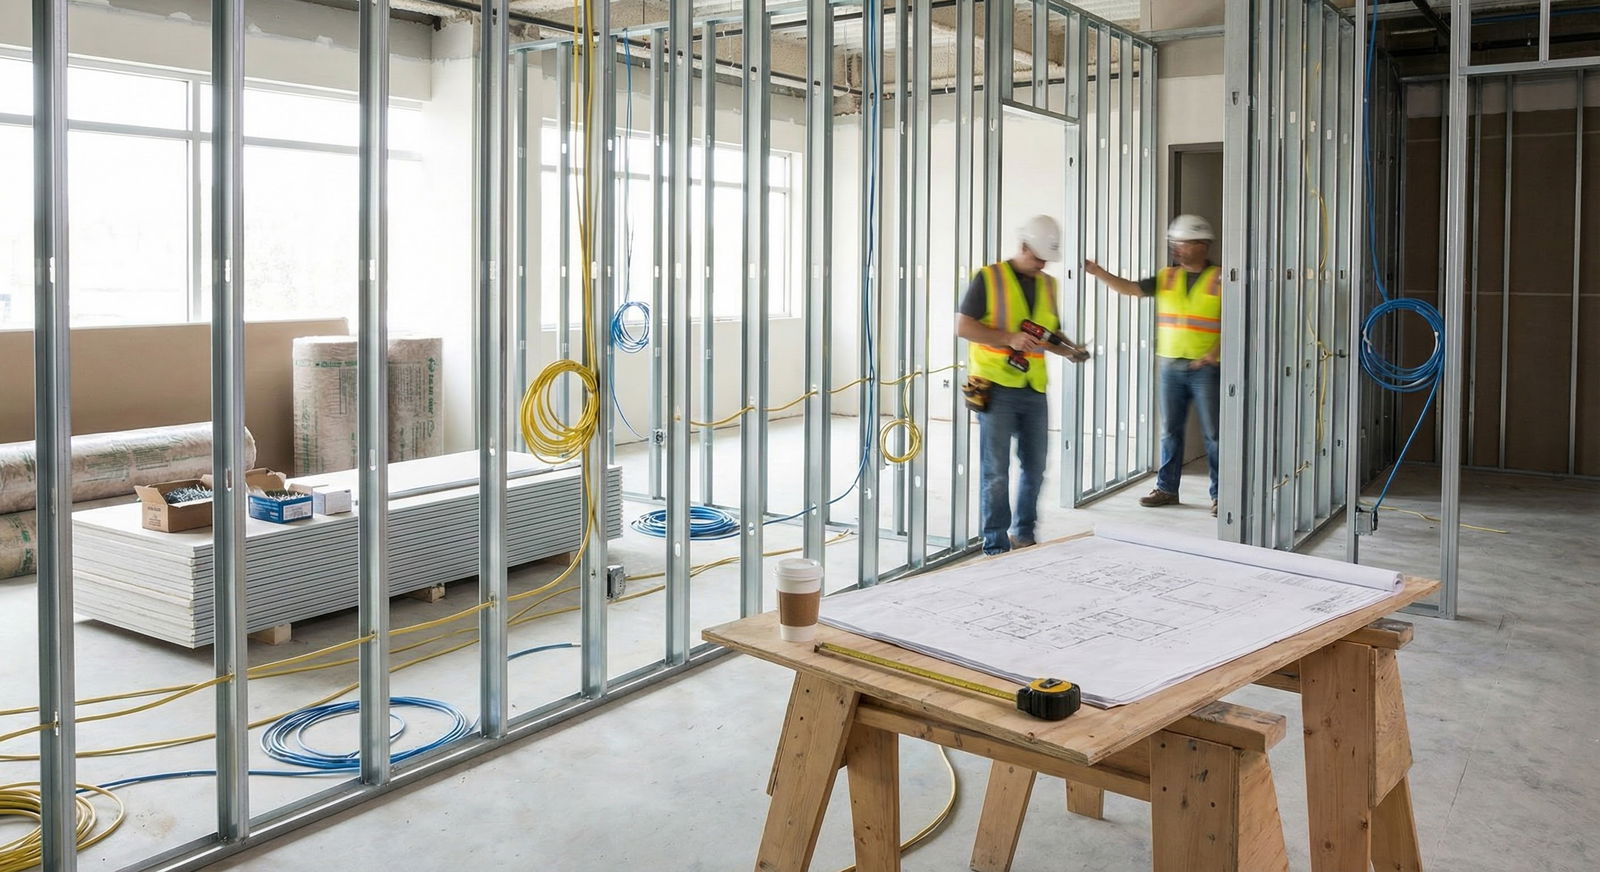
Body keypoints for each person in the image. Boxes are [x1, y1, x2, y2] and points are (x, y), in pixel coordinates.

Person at [957, 215, 1090, 555]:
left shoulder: (1048, 285)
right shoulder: (989, 278)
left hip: (1034, 388)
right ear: (1023, 245)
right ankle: (996, 544)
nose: (1042, 264)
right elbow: (964, 327)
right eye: (1037, 256)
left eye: (1047, 258)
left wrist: (1069, 349)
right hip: (996, 385)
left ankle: (1025, 534)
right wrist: (1008, 338)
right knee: (996, 472)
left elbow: (1048, 333)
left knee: (1035, 467)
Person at [1083, 214, 1222, 516]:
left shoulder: (1221, 278)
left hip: (1206, 369)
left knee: (1214, 434)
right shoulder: (1167, 277)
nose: (1177, 248)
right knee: (1170, 430)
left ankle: (1220, 495)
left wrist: (1215, 351)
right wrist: (1097, 271)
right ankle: (1167, 489)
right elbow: (1129, 288)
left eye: (1183, 243)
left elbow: (1238, 320)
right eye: (1175, 243)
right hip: (1171, 366)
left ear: (1202, 245)